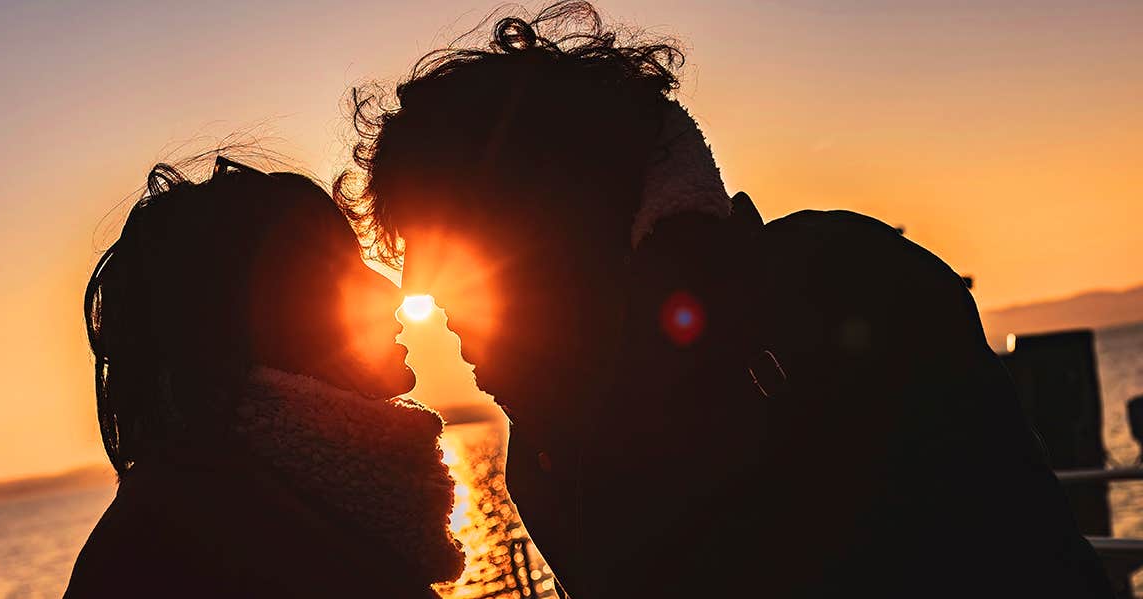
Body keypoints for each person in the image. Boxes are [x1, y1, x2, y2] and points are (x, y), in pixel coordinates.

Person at [336, 2, 1113, 597]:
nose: (436, 304)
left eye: (453, 257)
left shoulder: (846, 288)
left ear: (557, 218)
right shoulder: (545, 452)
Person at [65, 157, 463, 598]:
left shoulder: (290, 500)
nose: (389, 291)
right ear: (256, 318)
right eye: (337, 271)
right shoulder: (173, 543)